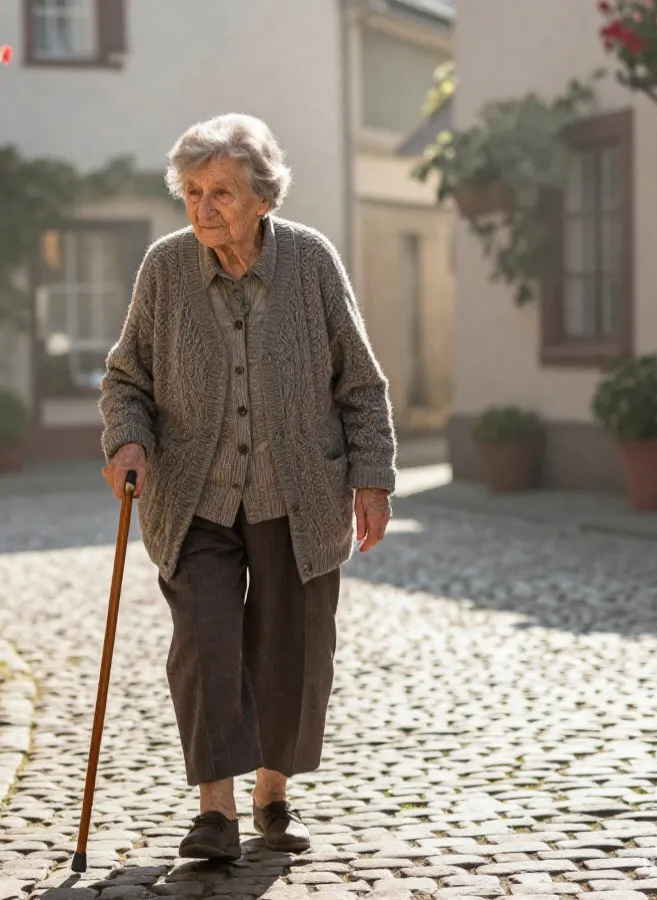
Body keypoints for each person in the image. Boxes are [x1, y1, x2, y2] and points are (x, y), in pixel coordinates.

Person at [99, 113, 396, 861]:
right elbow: (126, 378)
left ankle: (272, 795)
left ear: (263, 196)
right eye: (193, 191)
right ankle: (215, 813)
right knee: (205, 638)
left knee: (290, 646)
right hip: (193, 494)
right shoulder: (165, 269)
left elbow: (359, 383)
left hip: (299, 491)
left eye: (222, 192)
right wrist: (127, 439)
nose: (204, 207)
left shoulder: (312, 263)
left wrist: (372, 478)